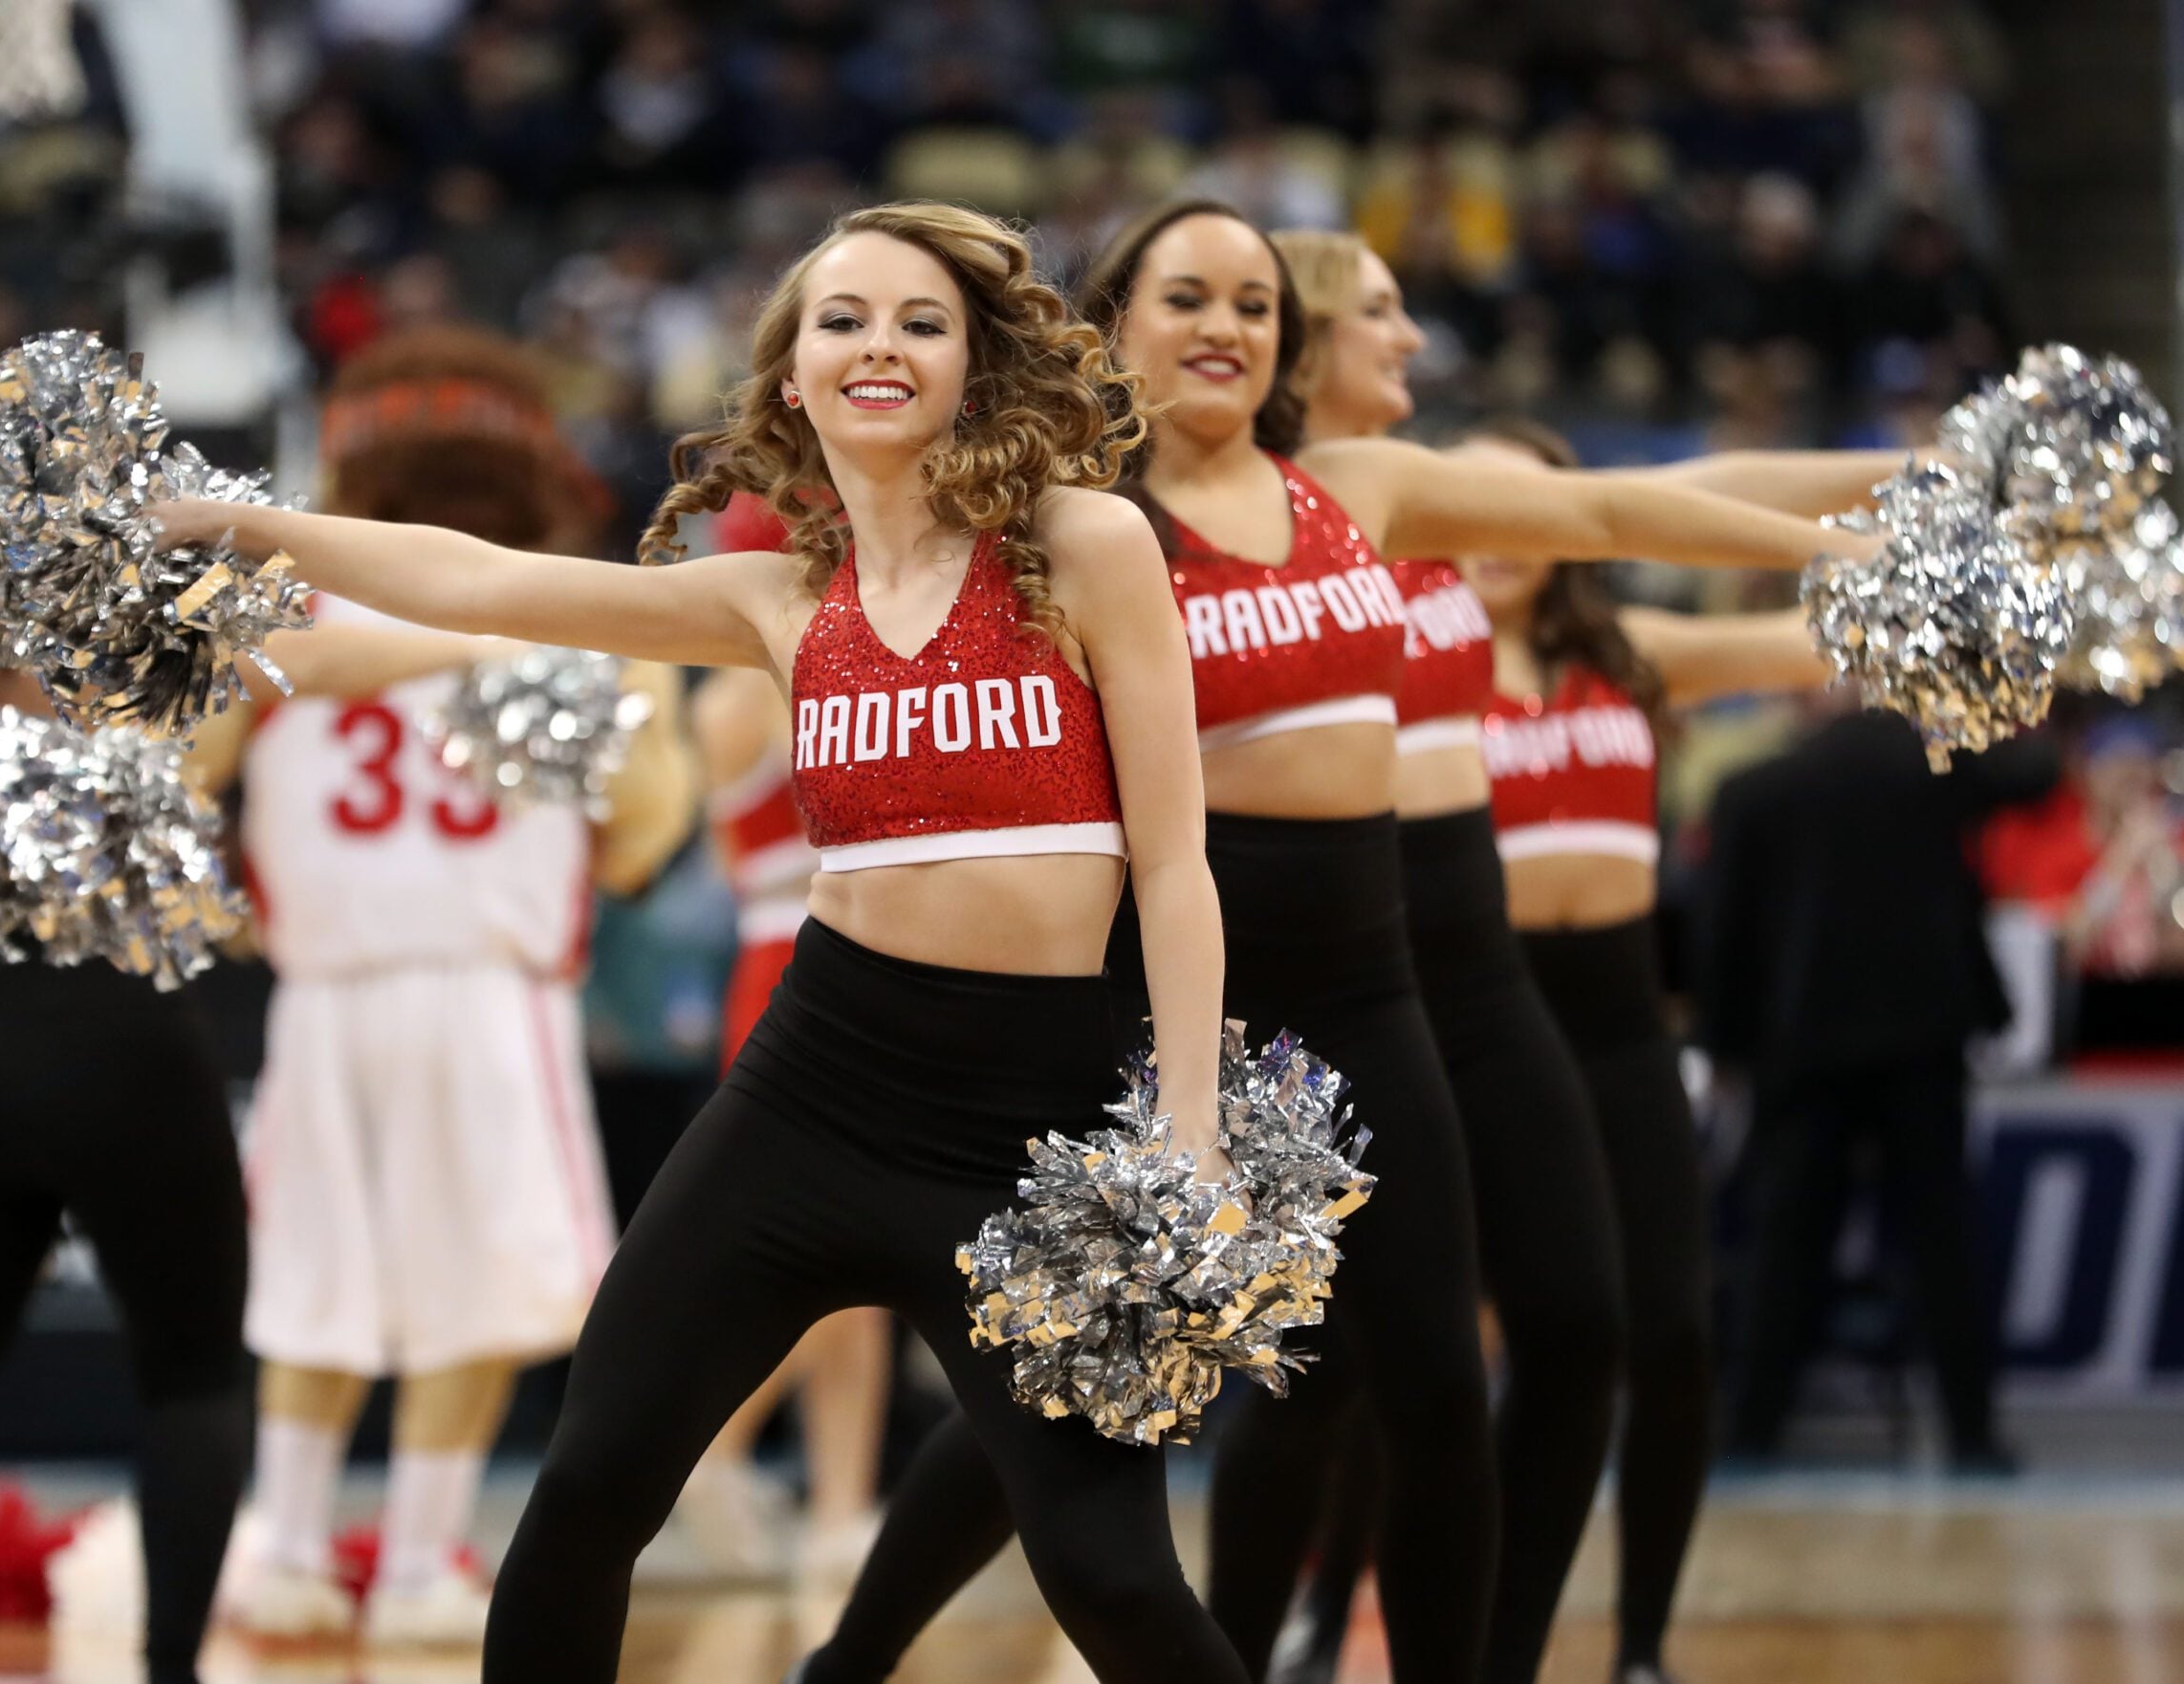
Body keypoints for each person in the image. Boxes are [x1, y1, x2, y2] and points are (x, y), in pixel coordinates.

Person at [154, 200, 1261, 1684]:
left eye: (920, 321)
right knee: (590, 1487)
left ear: (976, 364)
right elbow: (481, 580)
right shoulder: (776, 594)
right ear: (793, 376)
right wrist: (244, 525)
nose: (881, 344)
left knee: (1113, 1576)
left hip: (1032, 1120)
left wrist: (1185, 1128)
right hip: (816, 1084)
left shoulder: (1083, 542)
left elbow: (1178, 866)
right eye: (843, 320)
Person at [793, 201, 1879, 1684]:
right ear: (1112, 324)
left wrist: (1860, 540)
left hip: (1381, 996)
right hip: (1188, 1009)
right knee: (1077, 1390)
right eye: (1186, 297)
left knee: (1435, 1391)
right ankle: (847, 1662)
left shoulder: (1353, 484)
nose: (1225, 327)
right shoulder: (1078, 523)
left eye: (1253, 303)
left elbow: (1618, 515)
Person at [1256, 230, 1911, 1684]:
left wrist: (1922, 522)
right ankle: (1307, 1620)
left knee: (1639, 1336)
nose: (1496, 529)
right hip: (1415, 992)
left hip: (1597, 1017)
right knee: (1366, 1367)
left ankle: (1632, 1646)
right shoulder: (1379, 576)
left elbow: (1685, 508)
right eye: (1380, 314)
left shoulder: (1628, 653)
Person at [0, 449, 448, 1684]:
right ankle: (169, 1671)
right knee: (194, 1377)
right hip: (128, 1046)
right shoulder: (116, 671)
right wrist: (492, 648)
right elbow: (312, 664)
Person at [177, 325, 697, 1648]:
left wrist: (236, 912)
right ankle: (415, 1560)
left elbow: (167, 791)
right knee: (486, 1280)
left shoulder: (272, 604)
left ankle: (286, 1546)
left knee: (314, 1275)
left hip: (329, 988)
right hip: (490, 987)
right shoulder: (586, 608)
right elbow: (644, 833)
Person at [1701, 694, 2057, 1473]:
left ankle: (1752, 1430)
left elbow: (1721, 929)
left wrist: (1722, 1043)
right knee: (1943, 1243)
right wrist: (1981, 691)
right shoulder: (1929, 764)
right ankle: (1973, 1434)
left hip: (1803, 1047)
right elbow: (2039, 771)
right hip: (1921, 1041)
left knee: (1783, 1244)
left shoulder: (1758, 788)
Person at [677, 489, 891, 1594]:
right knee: (845, 1270)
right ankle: (828, 1504)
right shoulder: (819, 655)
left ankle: (747, 1467)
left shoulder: (714, 702)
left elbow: (727, 867)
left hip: (764, 960)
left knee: (829, 1262)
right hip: (827, 957)